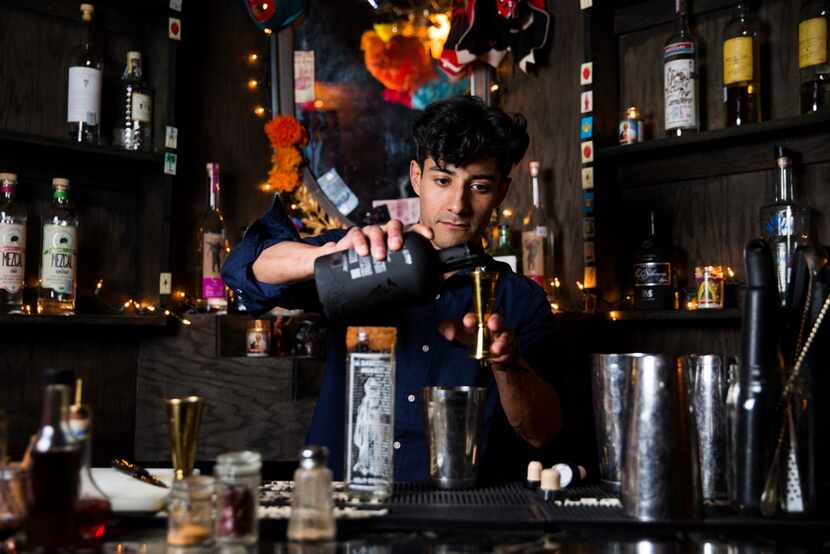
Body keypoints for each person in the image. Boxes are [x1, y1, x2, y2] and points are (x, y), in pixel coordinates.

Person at [222, 95, 562, 482]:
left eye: (479, 186)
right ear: (417, 177)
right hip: (349, 500)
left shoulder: (520, 299)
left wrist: (506, 365)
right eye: (442, 180)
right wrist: (335, 255)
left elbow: (541, 432)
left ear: (502, 191)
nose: (458, 204)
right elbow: (245, 268)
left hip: (462, 509)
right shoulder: (359, 255)